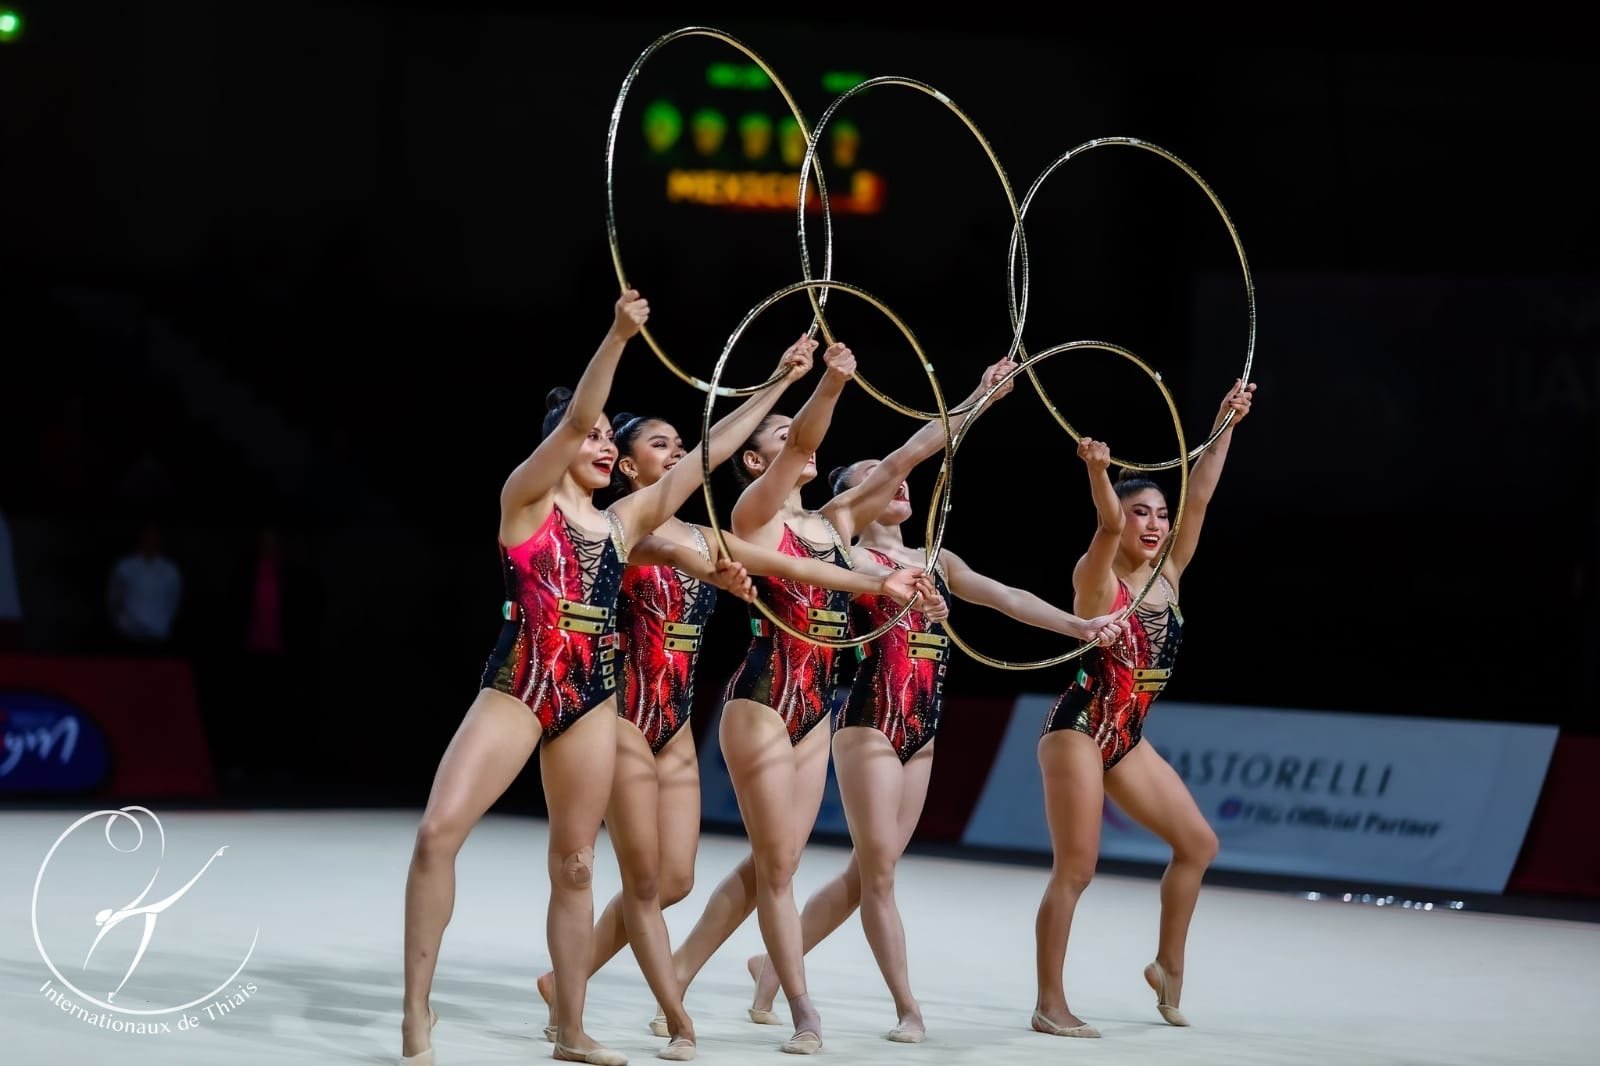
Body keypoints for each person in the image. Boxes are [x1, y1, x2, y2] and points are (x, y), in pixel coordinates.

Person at [533, 352, 947, 1047]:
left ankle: (590, 975)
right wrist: (823, 381)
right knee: (638, 875)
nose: (677, 457)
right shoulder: (628, 532)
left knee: (685, 880)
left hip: (740, 715)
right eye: (658, 446)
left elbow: (797, 551)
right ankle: (690, 1006)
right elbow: (732, 466)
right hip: (639, 714)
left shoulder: (717, 533)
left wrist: (977, 400)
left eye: (676, 446)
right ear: (627, 467)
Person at [400, 290, 770, 1066]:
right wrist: (617, 335)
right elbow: (572, 420)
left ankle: (570, 1028)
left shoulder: (622, 525)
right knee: (439, 835)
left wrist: (780, 382)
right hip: (519, 683)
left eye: (611, 439)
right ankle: (416, 1012)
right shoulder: (525, 502)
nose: (604, 445)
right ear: (559, 448)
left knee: (575, 864)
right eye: (595, 438)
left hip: (590, 699)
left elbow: (704, 457)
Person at [664, 349, 1014, 1055]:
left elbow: (908, 454)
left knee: (776, 865)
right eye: (784, 439)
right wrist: (827, 382)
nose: (800, 443)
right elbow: (805, 440)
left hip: (816, 707)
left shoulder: (835, 525)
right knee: (778, 866)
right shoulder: (754, 512)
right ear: (761, 463)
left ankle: (676, 971)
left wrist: (979, 397)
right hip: (763, 696)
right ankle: (802, 1012)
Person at [743, 443, 1127, 1042]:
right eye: (872, 478)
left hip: (922, 729)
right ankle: (908, 1008)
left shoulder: (935, 558)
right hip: (870, 721)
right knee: (880, 879)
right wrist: (892, 582)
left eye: (893, 477)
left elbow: (1005, 596)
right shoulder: (848, 555)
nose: (894, 484)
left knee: (868, 872)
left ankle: (769, 966)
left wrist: (1077, 625)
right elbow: (858, 579)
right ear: (855, 497)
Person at [1031, 380, 1255, 1039]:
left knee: (1198, 844)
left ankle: (1166, 964)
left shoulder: (1170, 574)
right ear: (1121, 520)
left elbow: (1204, 491)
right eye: (1142, 514)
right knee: (1077, 869)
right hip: (1077, 728)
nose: (1155, 523)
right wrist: (1100, 476)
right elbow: (1103, 524)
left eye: (1161, 512)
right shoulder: (1097, 578)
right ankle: (1049, 1001)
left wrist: (1225, 419)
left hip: (1126, 736)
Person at [106, 520, 182, 651]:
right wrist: (121, 622)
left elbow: (174, 600)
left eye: (154, 537)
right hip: (129, 632)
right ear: (141, 539)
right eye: (147, 537)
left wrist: (163, 622)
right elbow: (114, 597)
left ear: (159, 540)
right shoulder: (126, 566)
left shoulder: (170, 570)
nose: (150, 541)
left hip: (158, 633)